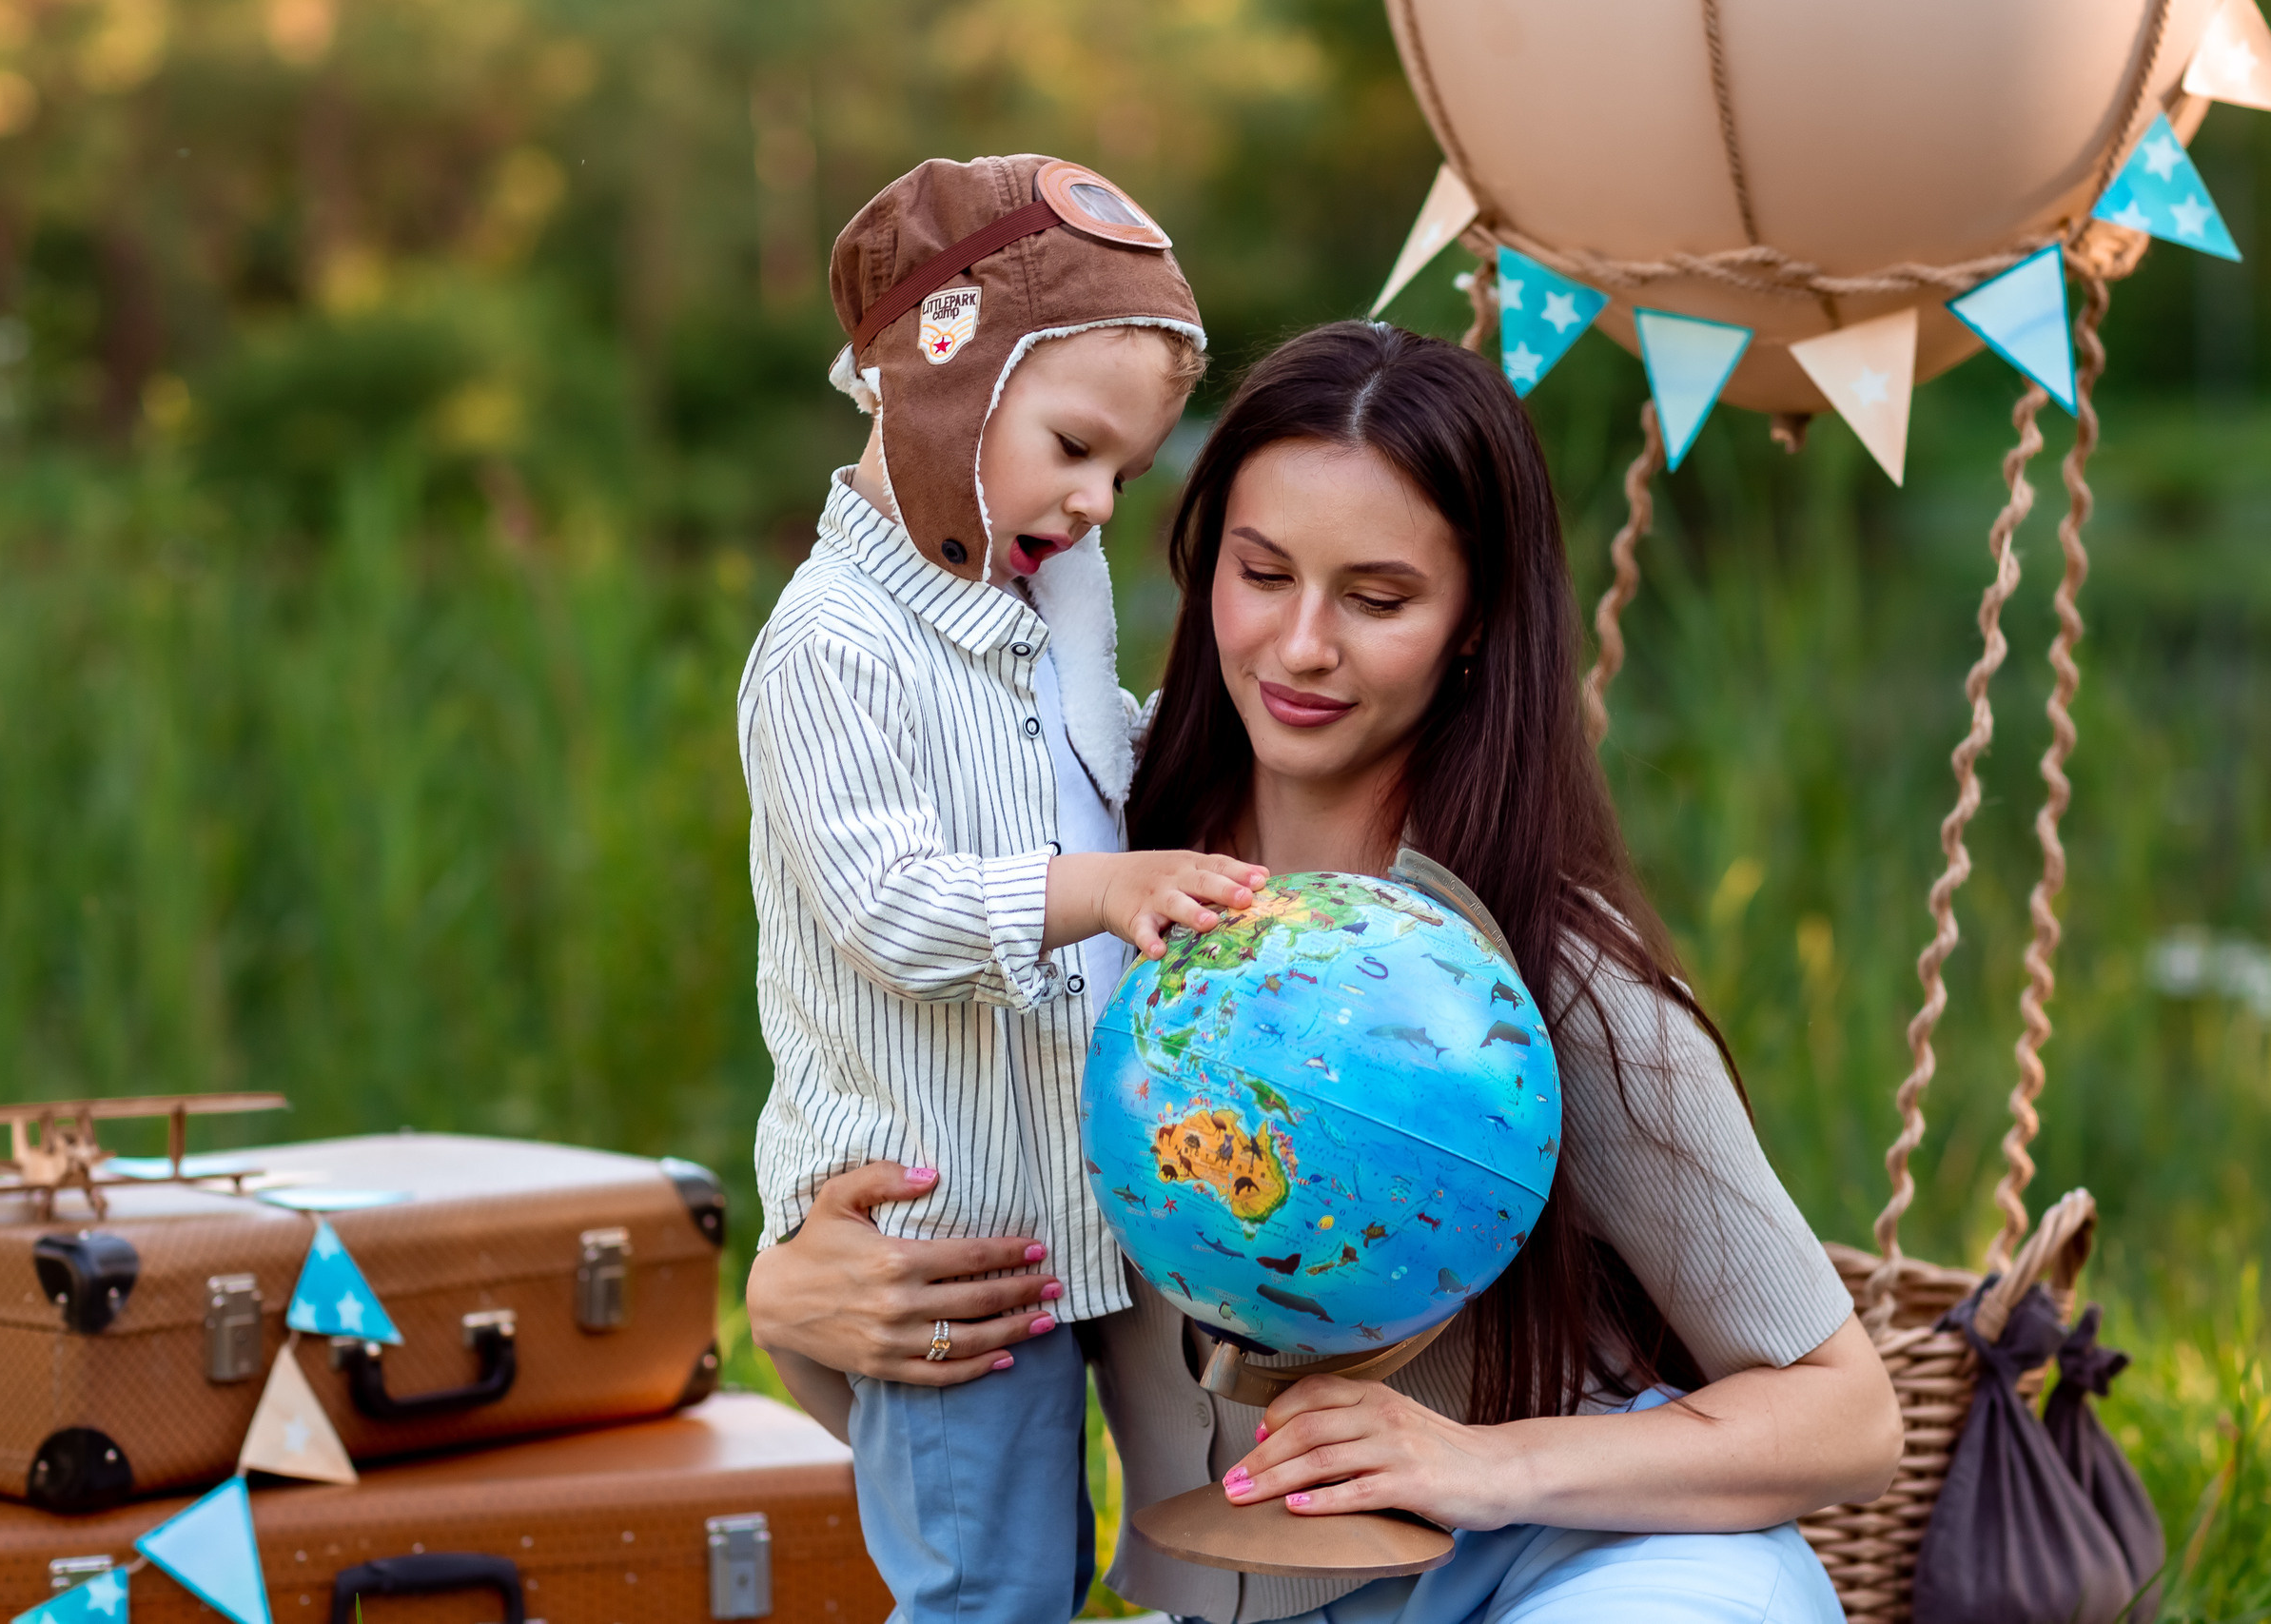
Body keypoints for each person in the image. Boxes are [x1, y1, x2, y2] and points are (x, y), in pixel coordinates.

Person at [748, 321, 1903, 1623]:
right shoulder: (1080, 896)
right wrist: (792, 1297)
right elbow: (950, 1427)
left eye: (1378, 598)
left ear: (1474, 626)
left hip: (1590, 1571)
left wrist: (1480, 1466)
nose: (1300, 647)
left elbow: (1849, 1418)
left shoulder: (1535, 970)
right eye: (1261, 573)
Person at [739, 153, 1268, 1624]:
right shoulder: (832, 647)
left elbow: (1099, 777)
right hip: (950, 1233)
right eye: (1074, 447)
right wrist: (1101, 892)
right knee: (990, 1585)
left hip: (1093, 1193)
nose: (1097, 502)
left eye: (1123, 475)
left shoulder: (1035, 608)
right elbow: (887, 904)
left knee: (1199, 1552)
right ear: (944, 367)